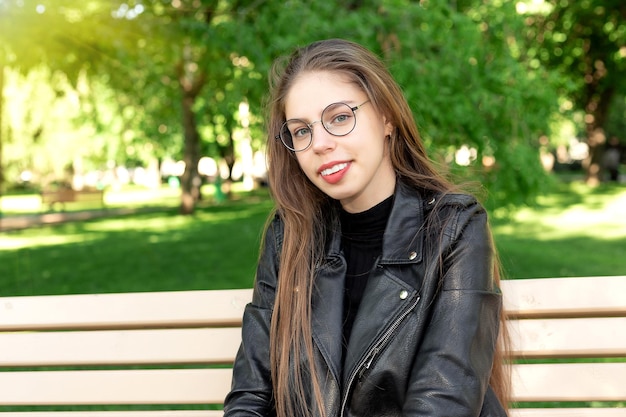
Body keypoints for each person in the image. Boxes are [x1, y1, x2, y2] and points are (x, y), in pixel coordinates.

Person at [224, 38, 510, 417]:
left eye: (339, 117)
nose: (320, 144)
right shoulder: (289, 234)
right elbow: (251, 395)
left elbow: (443, 401)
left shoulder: (454, 227)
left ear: (386, 118)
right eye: (301, 130)